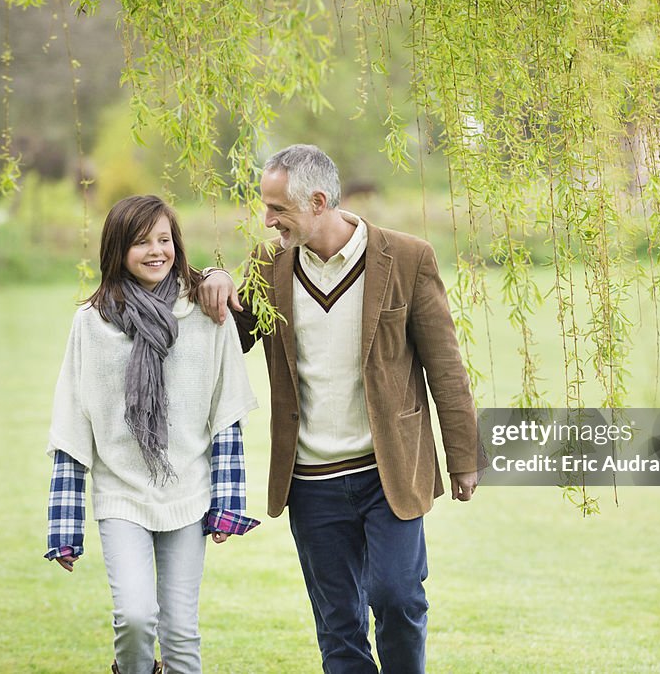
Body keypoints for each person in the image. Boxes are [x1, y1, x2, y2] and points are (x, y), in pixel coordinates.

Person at [199, 145, 485, 673]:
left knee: (398, 598)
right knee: (338, 624)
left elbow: (445, 367)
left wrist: (463, 456)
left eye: (278, 209)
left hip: (388, 471)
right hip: (309, 480)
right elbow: (232, 334)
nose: (267, 221)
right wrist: (212, 279)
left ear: (317, 200)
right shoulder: (268, 266)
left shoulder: (407, 258)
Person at [43, 195, 259, 674]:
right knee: (136, 617)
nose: (155, 251)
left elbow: (226, 412)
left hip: (188, 492)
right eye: (141, 242)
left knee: (181, 631)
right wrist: (64, 526)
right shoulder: (91, 323)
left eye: (164, 239)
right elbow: (72, 420)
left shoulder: (207, 313)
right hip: (121, 493)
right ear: (117, 249)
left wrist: (228, 504)